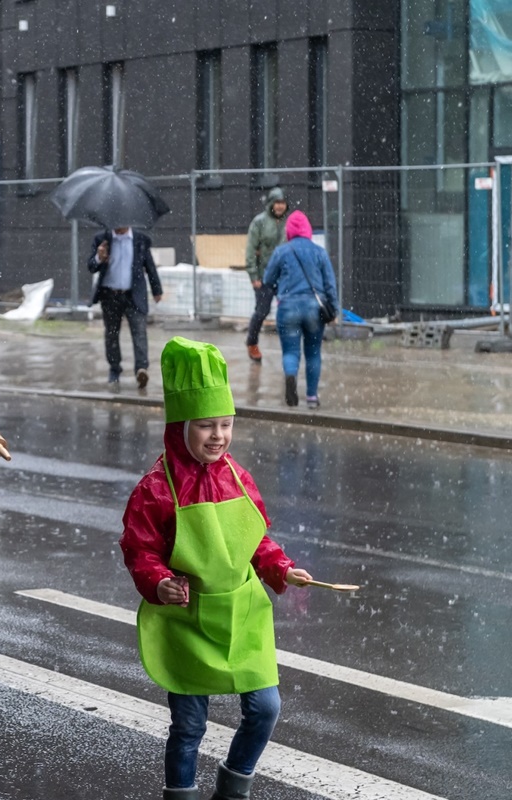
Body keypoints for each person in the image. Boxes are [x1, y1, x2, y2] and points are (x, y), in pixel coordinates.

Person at [120, 337, 313, 800]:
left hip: (242, 615)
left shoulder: (238, 477)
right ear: (180, 426)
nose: (218, 436)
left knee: (265, 708)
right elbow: (140, 550)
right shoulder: (155, 489)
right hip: (186, 622)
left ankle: (233, 789)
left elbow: (255, 539)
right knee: (189, 726)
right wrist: (159, 583)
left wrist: (281, 568)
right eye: (206, 425)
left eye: (226, 425)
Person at [262, 210, 338, 410]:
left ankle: (290, 375)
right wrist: (334, 309)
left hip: (288, 307)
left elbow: (268, 279)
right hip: (315, 309)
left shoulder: (281, 251)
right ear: (308, 230)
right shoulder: (319, 252)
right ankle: (312, 397)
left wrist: (281, 291)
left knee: (290, 351)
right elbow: (330, 284)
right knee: (313, 353)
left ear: (289, 231)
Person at [87, 226, 164, 387]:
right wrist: (99, 257)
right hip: (110, 295)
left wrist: (156, 290)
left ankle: (141, 369)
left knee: (139, 332)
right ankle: (114, 369)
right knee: (111, 334)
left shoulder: (140, 240)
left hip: (134, 295)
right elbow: (91, 267)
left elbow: (150, 266)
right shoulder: (102, 239)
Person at [243, 188, 289, 364]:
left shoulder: (288, 222)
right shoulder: (259, 222)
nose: (280, 206)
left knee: (288, 311)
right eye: (277, 203)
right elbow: (250, 249)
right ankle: (252, 342)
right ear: (271, 204)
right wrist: (253, 275)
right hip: (263, 276)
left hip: (283, 276)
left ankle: (289, 348)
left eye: (282, 203)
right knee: (262, 311)